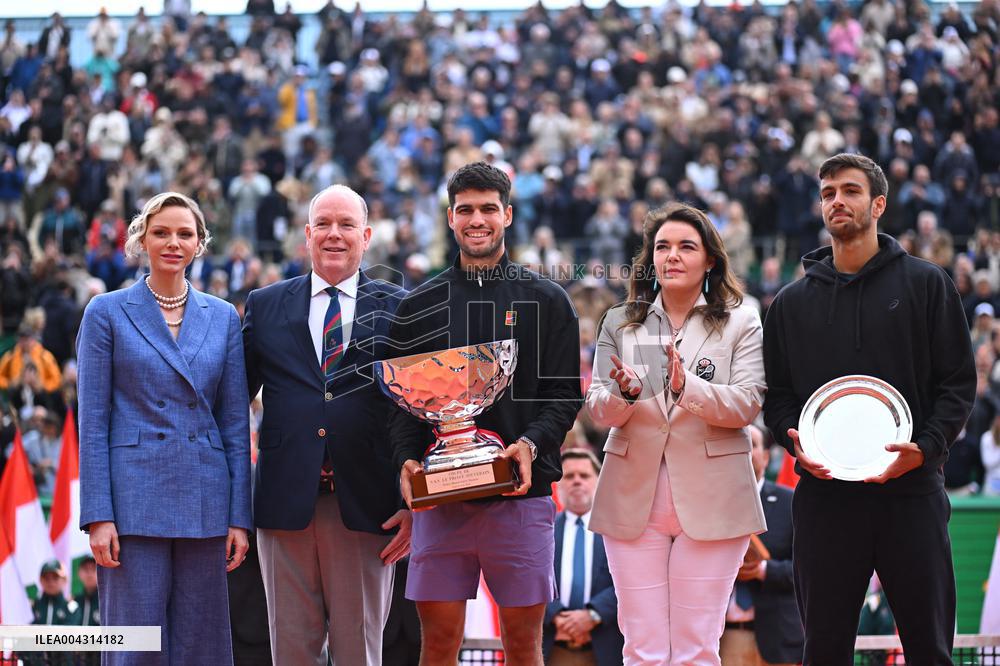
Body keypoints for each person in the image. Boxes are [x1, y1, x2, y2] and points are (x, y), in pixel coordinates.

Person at [762, 153, 976, 664]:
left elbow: (957, 385)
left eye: (851, 190)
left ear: (878, 203)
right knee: (824, 652)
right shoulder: (790, 304)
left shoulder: (927, 284)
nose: (837, 200)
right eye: (828, 192)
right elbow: (779, 401)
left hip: (913, 494)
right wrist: (798, 444)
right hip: (826, 500)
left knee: (929, 650)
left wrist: (924, 451)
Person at [388, 161, 582, 665]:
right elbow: (402, 408)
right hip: (441, 501)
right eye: (466, 209)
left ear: (508, 215)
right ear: (451, 218)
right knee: (439, 649)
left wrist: (529, 445)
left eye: (488, 209)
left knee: (522, 647)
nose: (478, 219)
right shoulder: (418, 305)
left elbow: (565, 394)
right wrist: (407, 460)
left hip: (522, 495)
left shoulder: (548, 299)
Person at [586, 201, 767, 665]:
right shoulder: (621, 323)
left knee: (696, 648)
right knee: (641, 648)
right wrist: (624, 395)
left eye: (687, 246)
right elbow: (598, 409)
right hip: (632, 498)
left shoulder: (742, 320)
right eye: (662, 246)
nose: (672, 255)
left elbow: (748, 402)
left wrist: (688, 387)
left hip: (715, 498)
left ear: (710, 259)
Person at [77, 191, 252, 665]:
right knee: (134, 647)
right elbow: (91, 423)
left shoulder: (222, 317)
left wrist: (240, 516)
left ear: (200, 244)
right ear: (141, 240)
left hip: (207, 502)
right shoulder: (105, 312)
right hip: (132, 504)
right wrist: (98, 514)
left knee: (204, 646)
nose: (173, 242)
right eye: (161, 232)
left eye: (184, 234)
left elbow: (234, 424)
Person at [242, 184, 410, 665]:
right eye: (325, 224)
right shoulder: (266, 304)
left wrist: (414, 502)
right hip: (283, 505)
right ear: (307, 233)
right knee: (290, 652)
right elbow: (234, 403)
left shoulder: (401, 307)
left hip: (368, 506)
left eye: (347, 225)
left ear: (367, 236)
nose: (335, 235)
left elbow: (418, 414)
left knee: (360, 651)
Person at [719, 426, 803, 666]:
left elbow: (809, 569)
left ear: (766, 456)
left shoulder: (791, 502)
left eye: (752, 444)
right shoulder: (712, 505)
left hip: (779, 637)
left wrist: (764, 570)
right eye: (737, 444)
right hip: (725, 637)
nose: (744, 450)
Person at [544, 449, 624, 666]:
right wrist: (556, 617)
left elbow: (630, 580)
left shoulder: (619, 530)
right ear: (558, 485)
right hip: (554, 647)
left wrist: (593, 615)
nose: (577, 481)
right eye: (569, 476)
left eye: (584, 476)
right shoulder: (542, 530)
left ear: (599, 481)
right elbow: (529, 578)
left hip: (606, 646)